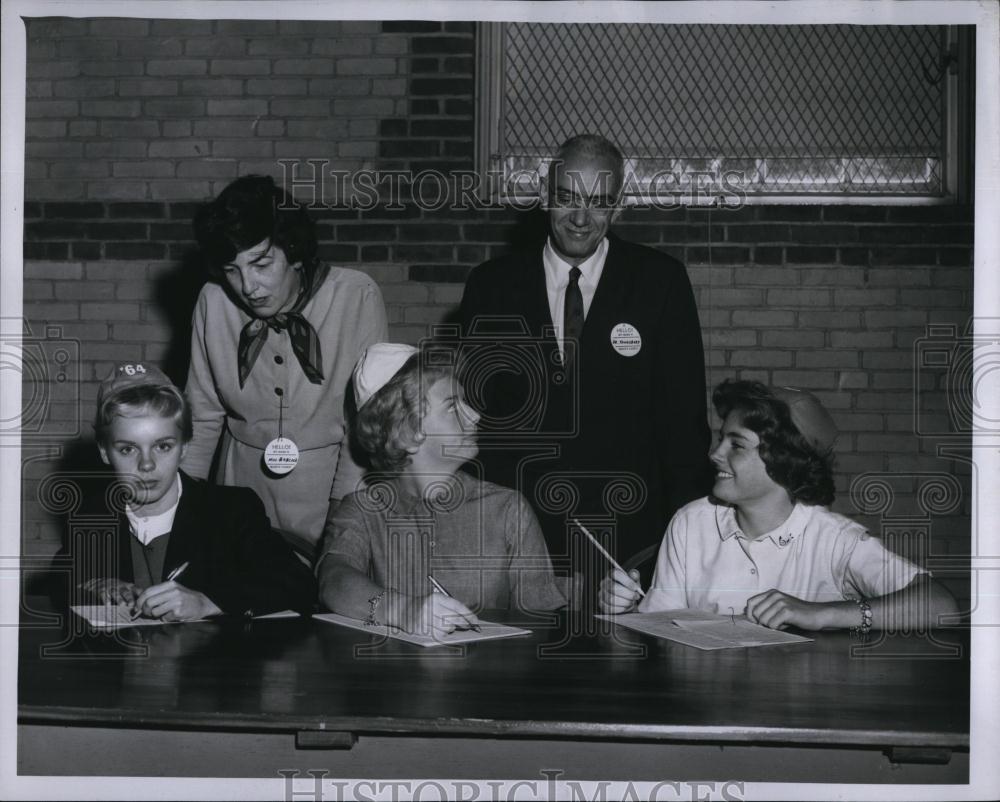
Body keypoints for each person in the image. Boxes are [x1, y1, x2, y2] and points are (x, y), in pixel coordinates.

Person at [458, 133, 712, 594]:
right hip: (521, 541)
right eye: (567, 199)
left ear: (619, 206)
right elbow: (477, 425)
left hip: (631, 543)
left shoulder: (660, 283)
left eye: (597, 203)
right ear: (543, 195)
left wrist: (685, 545)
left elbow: (684, 428)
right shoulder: (491, 286)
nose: (580, 218)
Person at [600, 380, 959, 632]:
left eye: (736, 445)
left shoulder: (836, 539)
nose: (714, 454)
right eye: (720, 439)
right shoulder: (691, 523)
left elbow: (942, 606)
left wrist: (821, 614)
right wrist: (626, 610)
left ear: (784, 461)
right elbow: (658, 630)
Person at [181, 175, 388, 556]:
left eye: (261, 264)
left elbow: (364, 425)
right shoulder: (213, 302)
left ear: (293, 250)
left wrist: (342, 526)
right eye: (232, 269)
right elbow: (203, 416)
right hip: (239, 494)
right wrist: (181, 512)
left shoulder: (356, 295)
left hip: (328, 496)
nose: (247, 287)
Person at [316, 343, 567, 638]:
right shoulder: (362, 510)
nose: (474, 416)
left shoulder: (507, 509)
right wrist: (401, 611)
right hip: (390, 680)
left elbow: (543, 618)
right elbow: (333, 580)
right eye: (453, 406)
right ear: (406, 432)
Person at [60, 362, 316, 620]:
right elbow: (59, 577)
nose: (146, 464)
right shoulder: (94, 514)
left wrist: (208, 602)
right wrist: (92, 585)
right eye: (128, 449)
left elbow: (297, 582)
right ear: (105, 452)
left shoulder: (230, 510)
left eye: (163, 446)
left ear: (184, 447)